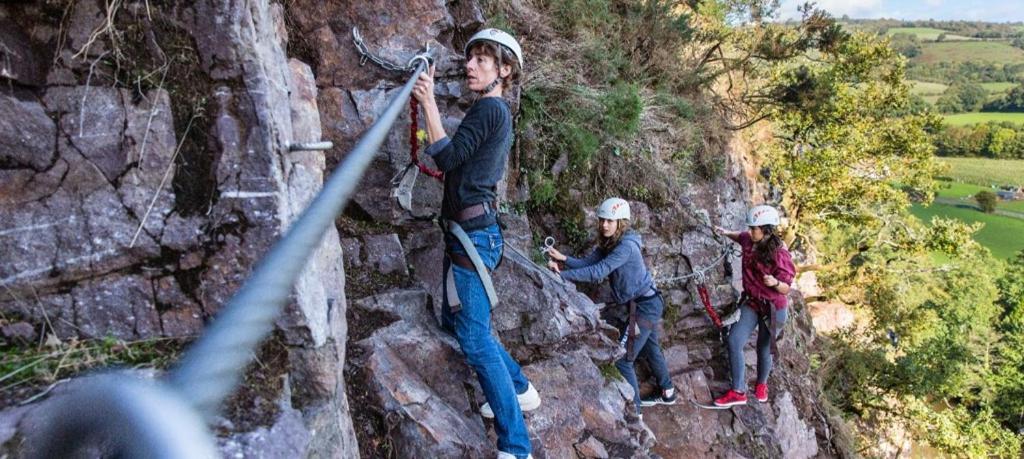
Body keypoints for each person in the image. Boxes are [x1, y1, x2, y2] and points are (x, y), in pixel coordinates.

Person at [413, 28, 537, 459]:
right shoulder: (491, 110)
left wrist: (428, 102)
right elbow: (457, 161)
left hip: (472, 238)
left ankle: (516, 446)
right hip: (469, 235)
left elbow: (446, 157)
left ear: (504, 70)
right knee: (457, 322)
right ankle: (519, 388)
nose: (470, 65)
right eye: (471, 59)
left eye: (482, 60)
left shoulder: (489, 110)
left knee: (474, 336)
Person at [546, 198, 676, 417]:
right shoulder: (610, 242)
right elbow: (589, 263)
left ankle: (636, 415)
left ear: (621, 223)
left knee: (624, 359)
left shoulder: (625, 247)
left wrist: (561, 275)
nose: (605, 225)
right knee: (650, 347)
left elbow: (598, 272)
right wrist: (564, 259)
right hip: (645, 303)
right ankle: (668, 392)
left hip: (645, 307)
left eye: (610, 221)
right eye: (602, 220)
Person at [711, 205, 796, 407]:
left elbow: (786, 288)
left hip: (773, 309)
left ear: (766, 229)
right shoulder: (750, 240)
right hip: (753, 303)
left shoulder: (780, 254)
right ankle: (738, 391)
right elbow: (739, 236)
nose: (750, 232)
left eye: (754, 228)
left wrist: (775, 283)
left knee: (763, 348)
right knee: (734, 340)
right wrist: (724, 232)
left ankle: (761, 384)